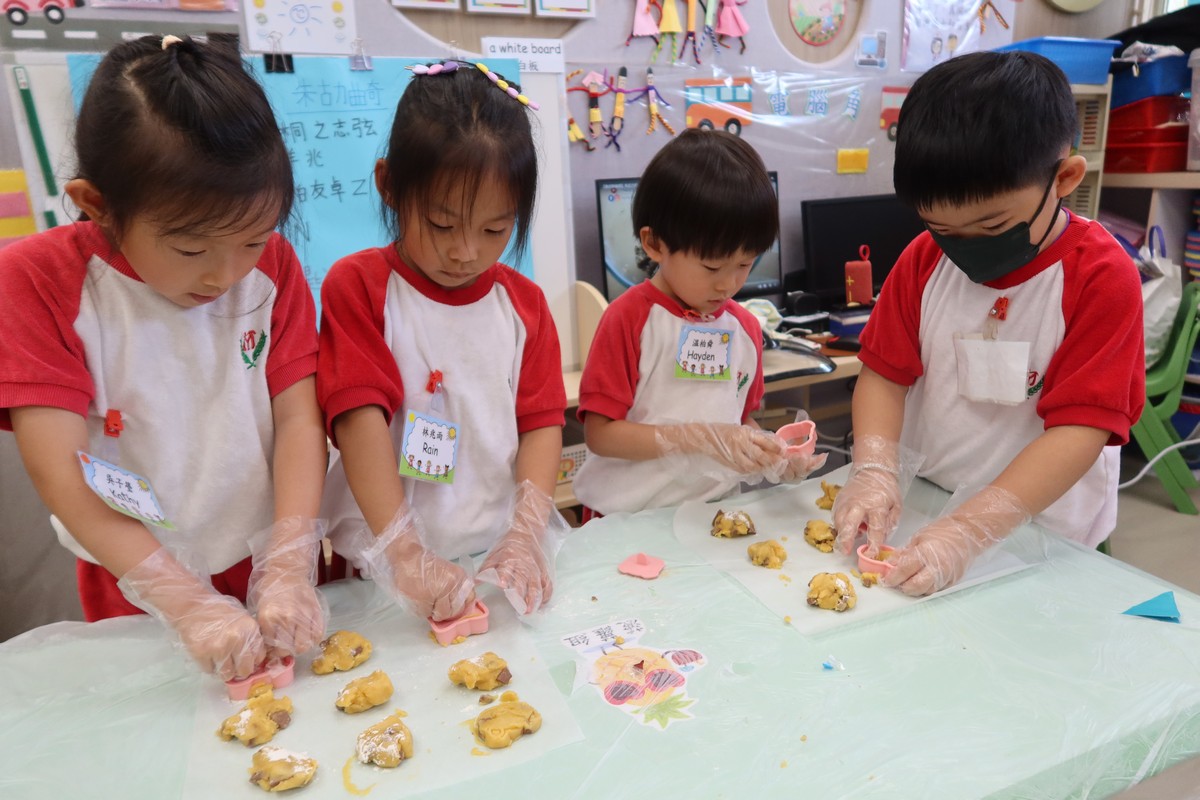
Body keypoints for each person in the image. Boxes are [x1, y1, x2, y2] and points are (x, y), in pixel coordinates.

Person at [0, 36, 328, 680]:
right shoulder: (36, 281)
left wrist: (290, 559)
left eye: (252, 241)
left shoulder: (275, 268)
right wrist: (184, 602)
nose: (225, 276)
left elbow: (298, 418)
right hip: (138, 570)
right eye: (190, 249)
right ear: (97, 204)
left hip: (263, 546)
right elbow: (62, 471)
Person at [833, 51, 1145, 595]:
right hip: (928, 503)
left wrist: (971, 529)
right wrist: (875, 469)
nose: (964, 247)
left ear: (1064, 178)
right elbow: (884, 375)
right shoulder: (924, 259)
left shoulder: (1100, 276)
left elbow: (1080, 430)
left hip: (1040, 529)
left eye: (992, 225)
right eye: (941, 227)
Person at [318, 60, 568, 620]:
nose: (465, 252)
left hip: (493, 558)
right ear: (389, 186)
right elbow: (357, 418)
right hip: (381, 565)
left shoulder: (523, 305)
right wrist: (403, 552)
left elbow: (541, 424)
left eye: (494, 229)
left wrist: (526, 533)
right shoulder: (360, 287)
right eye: (441, 224)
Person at [573, 129, 825, 519]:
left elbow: (738, 420)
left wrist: (770, 453)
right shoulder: (629, 319)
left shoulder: (744, 329)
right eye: (711, 267)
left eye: (745, 264)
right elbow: (601, 435)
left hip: (712, 516)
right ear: (655, 244)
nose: (728, 284)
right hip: (625, 520)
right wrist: (691, 438)